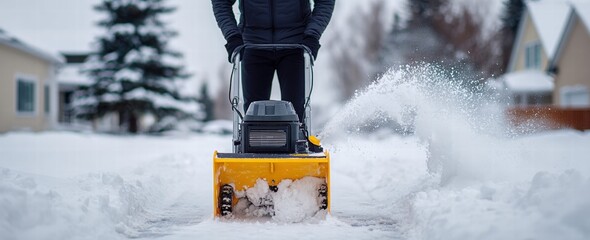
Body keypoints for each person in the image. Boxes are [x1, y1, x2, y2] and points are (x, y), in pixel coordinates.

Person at [212, 0, 335, 123]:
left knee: (296, 111)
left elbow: (325, 2)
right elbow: (221, 3)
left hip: (295, 45)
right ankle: (253, 140)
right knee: (253, 112)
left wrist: (312, 35)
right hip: (253, 44)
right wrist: (232, 35)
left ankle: (297, 138)